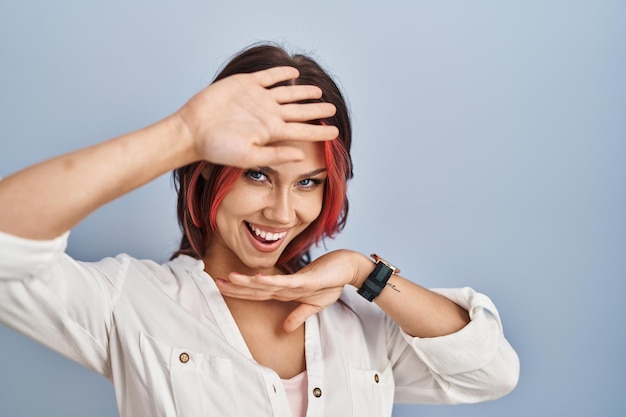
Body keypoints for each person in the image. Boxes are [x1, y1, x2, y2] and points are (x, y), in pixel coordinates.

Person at [0, 43, 519, 417]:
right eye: (258, 174)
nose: (282, 212)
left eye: (309, 182)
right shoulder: (128, 301)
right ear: (205, 171)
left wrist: (366, 273)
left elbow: (491, 371)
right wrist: (182, 134)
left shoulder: (363, 320)